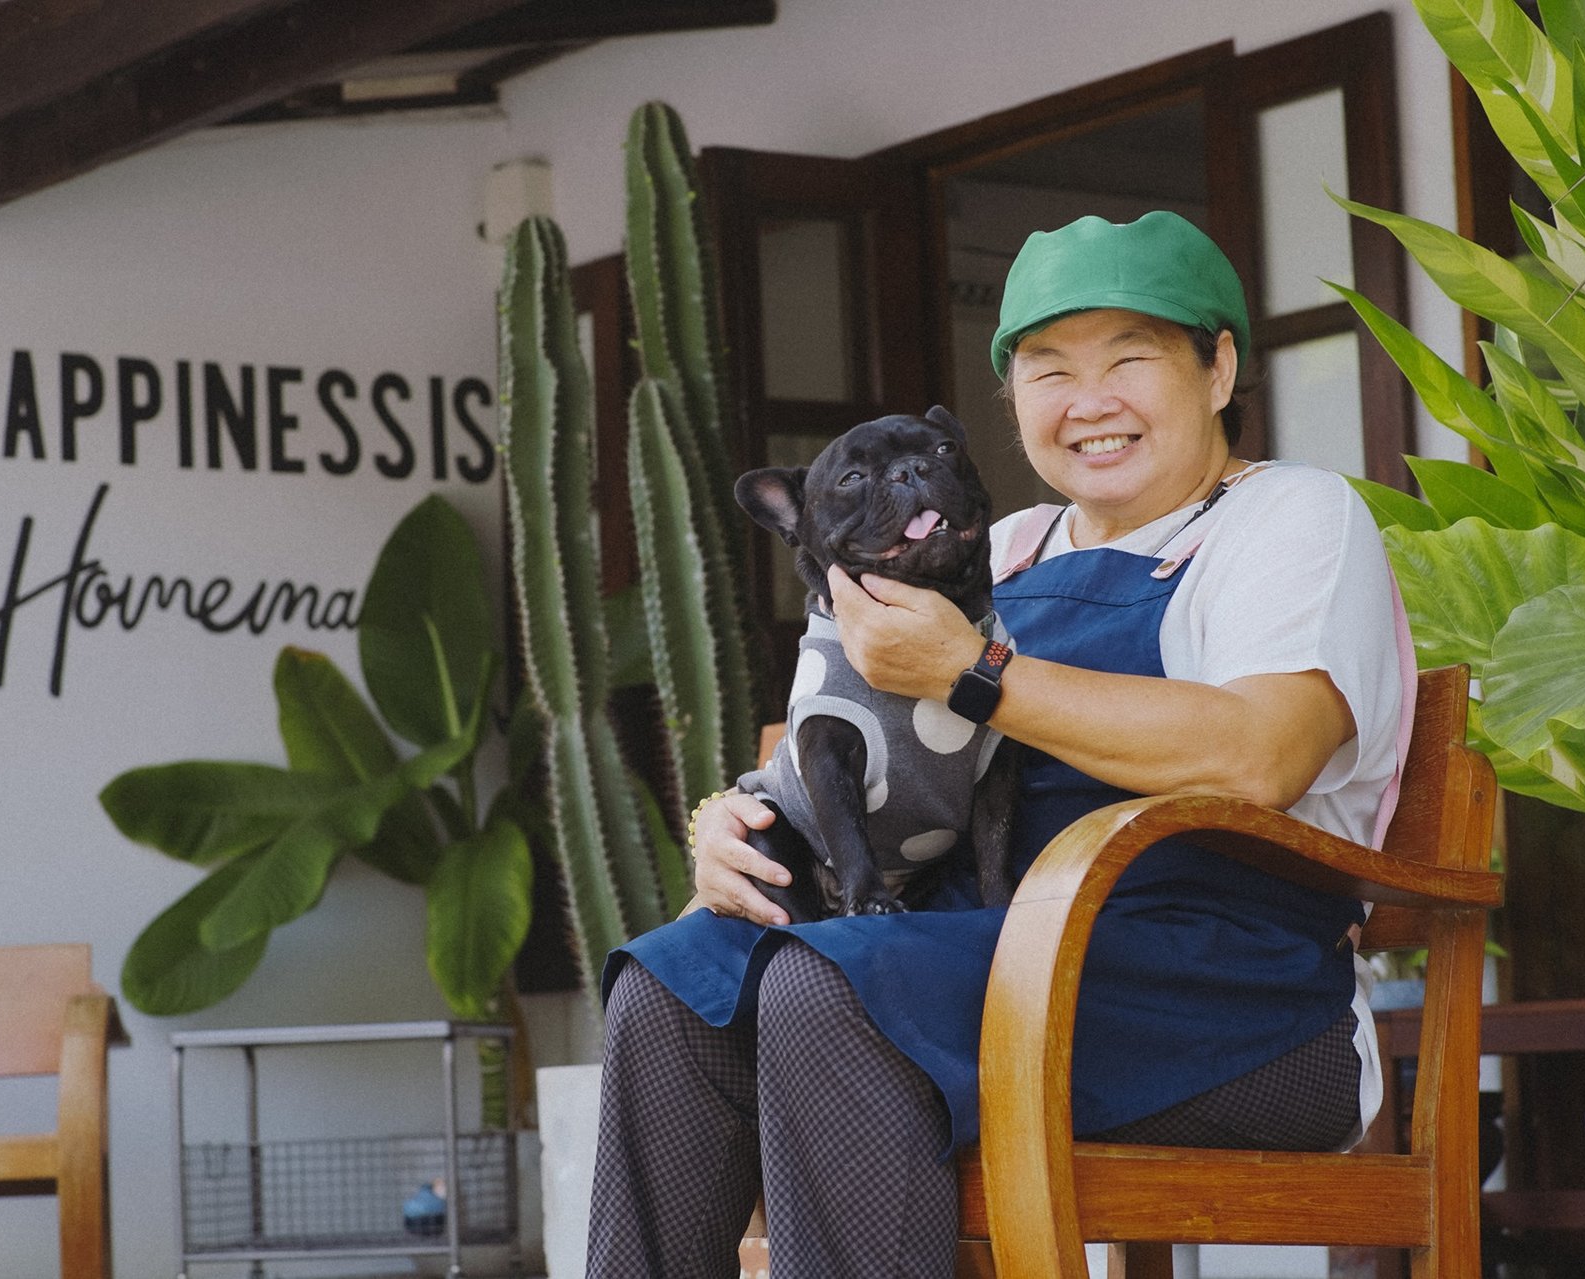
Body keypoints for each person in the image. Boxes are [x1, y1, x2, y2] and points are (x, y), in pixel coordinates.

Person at [584, 210, 1410, 1279]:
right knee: (671, 985)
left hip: (1233, 1001)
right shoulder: (1002, 547)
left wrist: (975, 674)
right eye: (1048, 369)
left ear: (1218, 369)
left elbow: (1261, 755)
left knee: (824, 988)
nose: (1090, 400)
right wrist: (732, 826)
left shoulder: (1289, 517)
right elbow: (843, 728)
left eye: (1132, 356)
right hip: (982, 957)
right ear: (1010, 399)